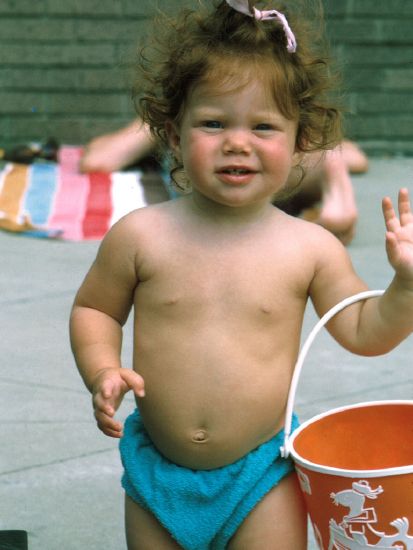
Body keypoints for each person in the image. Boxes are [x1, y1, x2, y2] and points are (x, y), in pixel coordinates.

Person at [69, 1, 413, 549]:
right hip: (157, 472)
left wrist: (406, 287)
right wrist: (102, 368)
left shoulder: (310, 247)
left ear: (302, 140)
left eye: (263, 127)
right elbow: (95, 309)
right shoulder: (139, 236)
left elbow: (364, 332)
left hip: (260, 475)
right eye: (212, 122)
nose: (237, 141)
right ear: (172, 132)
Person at [79, 125, 367, 245]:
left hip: (213, 187)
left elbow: (97, 160)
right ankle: (332, 170)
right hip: (280, 183)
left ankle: (330, 164)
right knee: (319, 155)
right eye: (215, 122)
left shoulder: (181, 128)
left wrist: (148, 127)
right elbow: (359, 159)